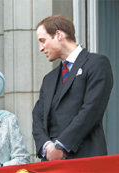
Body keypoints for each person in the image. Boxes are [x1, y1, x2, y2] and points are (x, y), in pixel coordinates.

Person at [32, 15, 113, 161]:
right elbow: (37, 117)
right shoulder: (48, 79)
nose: (41, 48)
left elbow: (91, 110)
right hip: (52, 164)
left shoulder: (97, 63)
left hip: (87, 160)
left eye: (43, 41)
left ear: (58, 35)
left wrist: (61, 145)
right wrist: (47, 147)